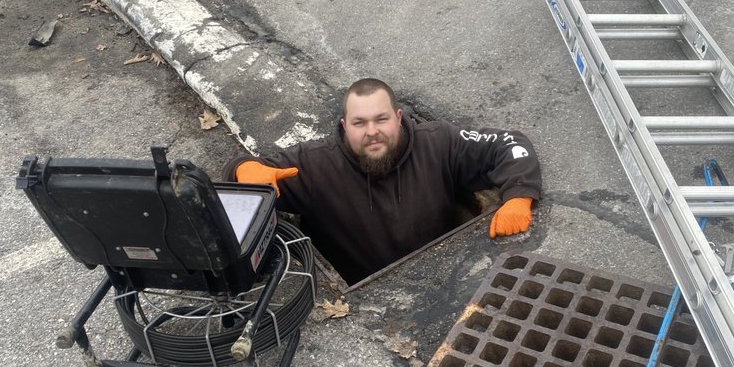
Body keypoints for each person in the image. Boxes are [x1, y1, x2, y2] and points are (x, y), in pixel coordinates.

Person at [221, 78, 542, 285]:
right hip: (368, 297)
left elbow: (508, 144)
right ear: (345, 126)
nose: (372, 131)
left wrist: (519, 194)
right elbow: (250, 171)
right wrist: (243, 169)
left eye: (381, 119)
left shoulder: (439, 142)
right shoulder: (317, 164)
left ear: (399, 118)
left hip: (447, 280)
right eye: (360, 123)